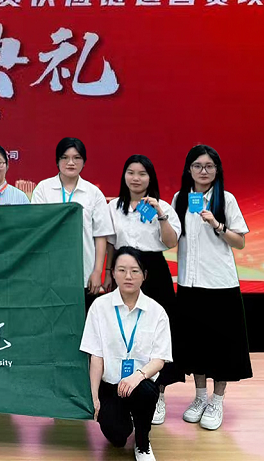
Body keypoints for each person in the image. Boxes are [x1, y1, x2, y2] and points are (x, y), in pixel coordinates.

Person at [172, 144, 251, 431]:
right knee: (195, 346)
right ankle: (199, 397)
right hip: (189, 284)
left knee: (221, 348)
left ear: (217, 170)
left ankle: (217, 401)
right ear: (188, 169)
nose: (203, 171)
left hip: (219, 284)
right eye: (197, 166)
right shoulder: (180, 199)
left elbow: (240, 242)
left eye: (209, 166)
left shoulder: (226, 199)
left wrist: (217, 224)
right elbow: (171, 236)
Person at [105, 155, 183, 425]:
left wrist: (160, 213)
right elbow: (110, 243)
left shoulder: (162, 206)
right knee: (124, 331)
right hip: (124, 269)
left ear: (151, 178)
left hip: (154, 271)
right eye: (131, 172)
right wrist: (109, 273)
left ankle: (158, 393)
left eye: (142, 173)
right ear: (124, 176)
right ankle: (124, 390)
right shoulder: (114, 207)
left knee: (156, 332)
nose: (136, 178)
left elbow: (171, 242)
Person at [80, 247, 172, 461]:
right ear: (113, 273)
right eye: (122, 270)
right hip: (110, 385)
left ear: (144, 275)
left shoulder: (156, 312)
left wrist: (137, 376)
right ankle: (127, 421)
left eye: (135, 271)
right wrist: (94, 396)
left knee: (146, 392)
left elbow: (159, 359)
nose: (128, 276)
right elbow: (96, 357)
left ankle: (142, 442)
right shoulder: (99, 307)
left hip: (139, 383)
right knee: (118, 437)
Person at [31, 138, 114, 306]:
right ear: (57, 161)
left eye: (77, 158)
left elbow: (100, 236)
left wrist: (97, 271)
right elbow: (37, 228)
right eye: (65, 157)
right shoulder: (43, 189)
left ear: (84, 161)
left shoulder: (93, 193)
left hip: (84, 273)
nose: (71, 162)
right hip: (50, 273)